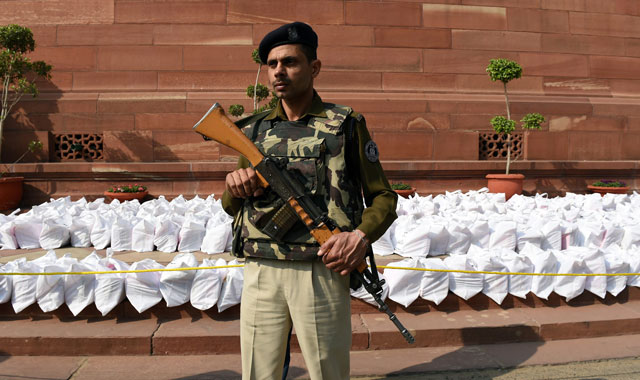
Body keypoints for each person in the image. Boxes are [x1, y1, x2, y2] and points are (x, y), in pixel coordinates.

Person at [222, 21, 398, 380]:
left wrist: (360, 238)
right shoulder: (253, 130)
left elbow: (383, 196)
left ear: (314, 68)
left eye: (290, 62)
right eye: (271, 65)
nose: (278, 72)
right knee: (258, 373)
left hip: (319, 267)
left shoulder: (346, 124)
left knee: (327, 372)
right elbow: (232, 205)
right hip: (261, 268)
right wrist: (234, 185)